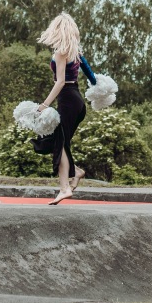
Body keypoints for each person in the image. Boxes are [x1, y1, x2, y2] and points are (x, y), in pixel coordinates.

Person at [36, 13, 88, 204]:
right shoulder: (75, 53)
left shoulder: (60, 53)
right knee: (61, 143)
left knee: (60, 143)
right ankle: (76, 172)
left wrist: (44, 105)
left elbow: (60, 82)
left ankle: (64, 188)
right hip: (77, 101)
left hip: (67, 100)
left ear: (56, 31)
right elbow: (89, 73)